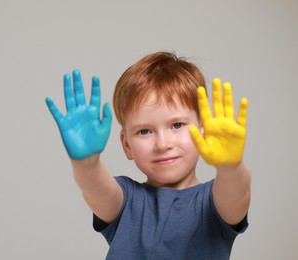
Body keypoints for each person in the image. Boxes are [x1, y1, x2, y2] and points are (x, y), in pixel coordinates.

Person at [45, 52, 251, 259]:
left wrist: (231, 166)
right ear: (126, 144)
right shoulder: (126, 200)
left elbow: (237, 193)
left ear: (204, 131)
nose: (162, 144)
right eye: (144, 131)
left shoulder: (214, 201)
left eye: (177, 125)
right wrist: (86, 163)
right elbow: (95, 189)